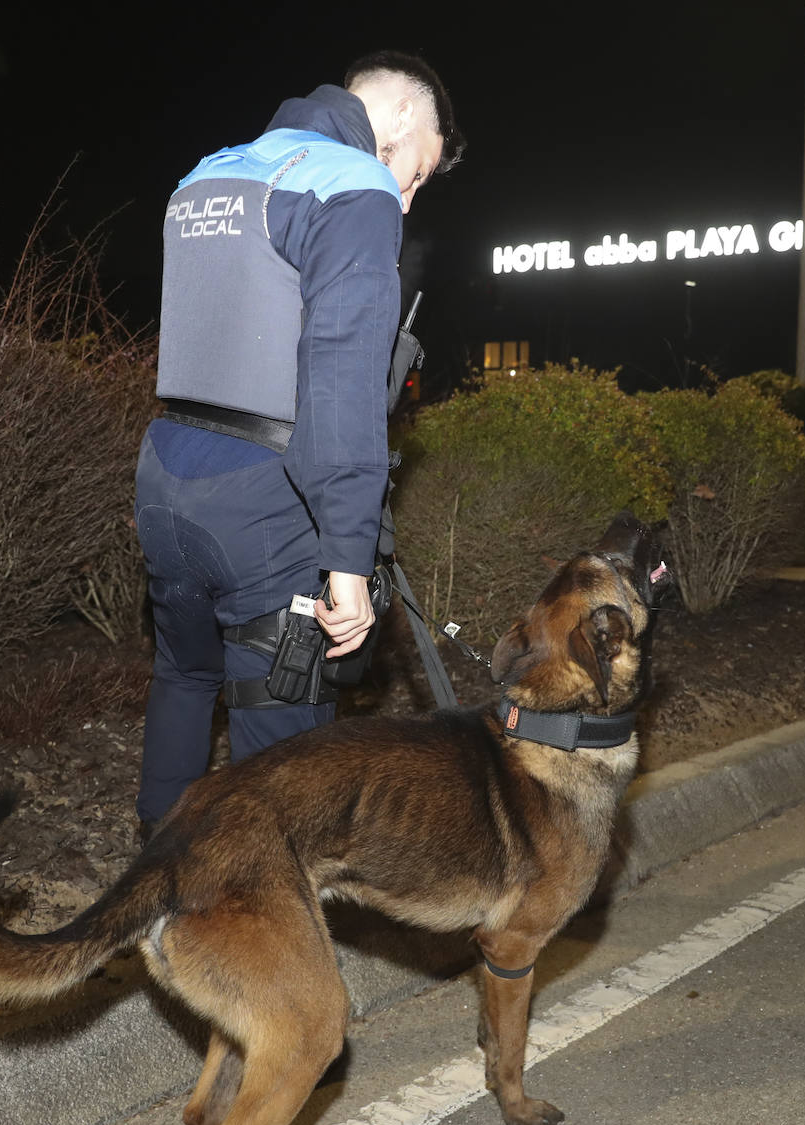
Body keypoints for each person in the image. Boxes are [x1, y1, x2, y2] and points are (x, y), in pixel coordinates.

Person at [134, 51, 464, 835]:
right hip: (266, 503)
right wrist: (347, 557)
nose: (409, 198)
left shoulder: (208, 173)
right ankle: (255, 936)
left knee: (182, 681)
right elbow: (339, 376)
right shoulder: (357, 185)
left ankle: (155, 905)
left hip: (165, 480)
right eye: (420, 173)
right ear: (408, 120)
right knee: (280, 773)